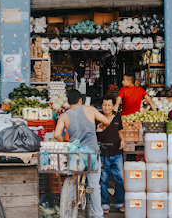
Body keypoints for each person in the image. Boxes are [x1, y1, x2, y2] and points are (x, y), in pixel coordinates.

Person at [54, 89, 111, 218]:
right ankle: (97, 215)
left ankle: (72, 192)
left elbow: (57, 135)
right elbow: (107, 121)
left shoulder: (64, 115)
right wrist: (101, 125)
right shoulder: (90, 109)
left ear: (68, 102)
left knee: (74, 173)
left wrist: (67, 143)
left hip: (75, 154)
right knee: (94, 185)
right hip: (91, 153)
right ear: (80, 100)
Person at [96, 95, 125, 214]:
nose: (106, 107)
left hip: (117, 153)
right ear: (101, 106)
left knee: (120, 179)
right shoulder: (98, 118)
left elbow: (120, 132)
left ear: (113, 106)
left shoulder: (117, 117)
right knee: (103, 180)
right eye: (104, 105)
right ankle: (105, 205)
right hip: (103, 154)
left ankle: (120, 203)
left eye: (109, 105)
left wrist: (122, 139)